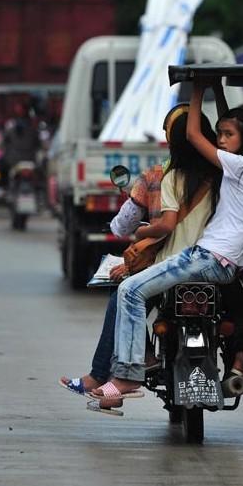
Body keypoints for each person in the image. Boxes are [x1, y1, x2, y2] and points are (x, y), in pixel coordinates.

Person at [88, 80, 243, 409]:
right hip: (224, 265)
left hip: (208, 258)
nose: (221, 140)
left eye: (229, 135)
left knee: (129, 290)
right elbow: (212, 134)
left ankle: (128, 373)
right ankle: (131, 369)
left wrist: (196, 90)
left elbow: (195, 136)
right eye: (219, 134)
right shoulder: (235, 170)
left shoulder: (234, 166)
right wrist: (215, 90)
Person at [60, 106, 221, 401]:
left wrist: (142, 233)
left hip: (174, 263)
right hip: (217, 266)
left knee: (125, 293)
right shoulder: (226, 175)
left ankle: (126, 369)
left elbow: (162, 226)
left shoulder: (163, 176)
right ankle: (236, 364)